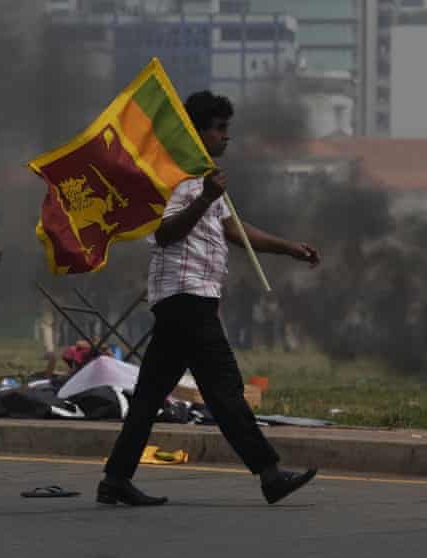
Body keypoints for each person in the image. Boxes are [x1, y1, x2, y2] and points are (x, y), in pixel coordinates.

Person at [97, 91, 321, 507]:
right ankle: (269, 473)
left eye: (226, 129)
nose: (225, 137)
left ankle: (115, 478)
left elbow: (233, 230)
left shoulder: (203, 175)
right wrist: (203, 197)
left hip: (186, 299)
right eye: (218, 128)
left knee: (149, 395)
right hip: (185, 298)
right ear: (195, 132)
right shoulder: (178, 177)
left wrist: (288, 248)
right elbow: (164, 233)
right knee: (224, 388)